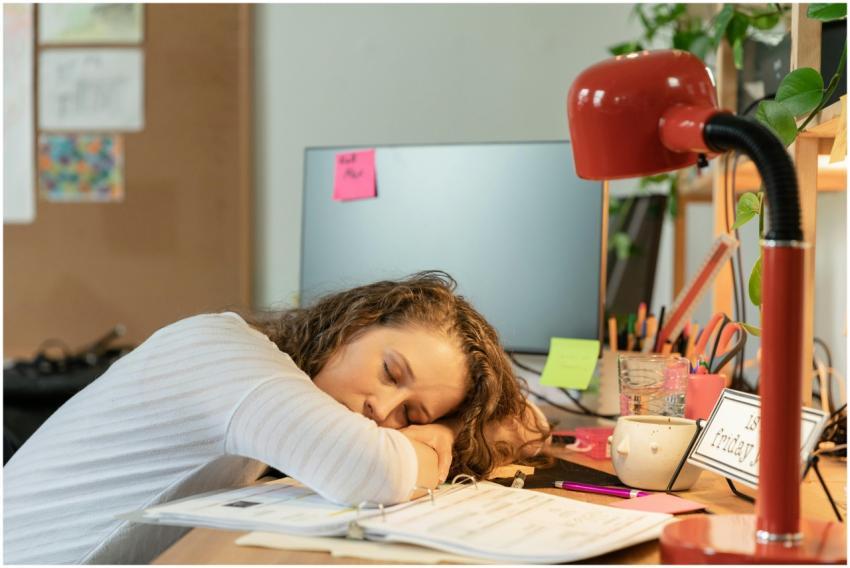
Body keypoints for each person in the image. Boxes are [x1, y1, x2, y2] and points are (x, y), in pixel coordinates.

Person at [3, 271, 548, 564]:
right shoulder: (228, 353)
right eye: (389, 371)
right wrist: (446, 430)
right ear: (356, 323)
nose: (380, 411)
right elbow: (373, 471)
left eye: (411, 412)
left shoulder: (271, 375)